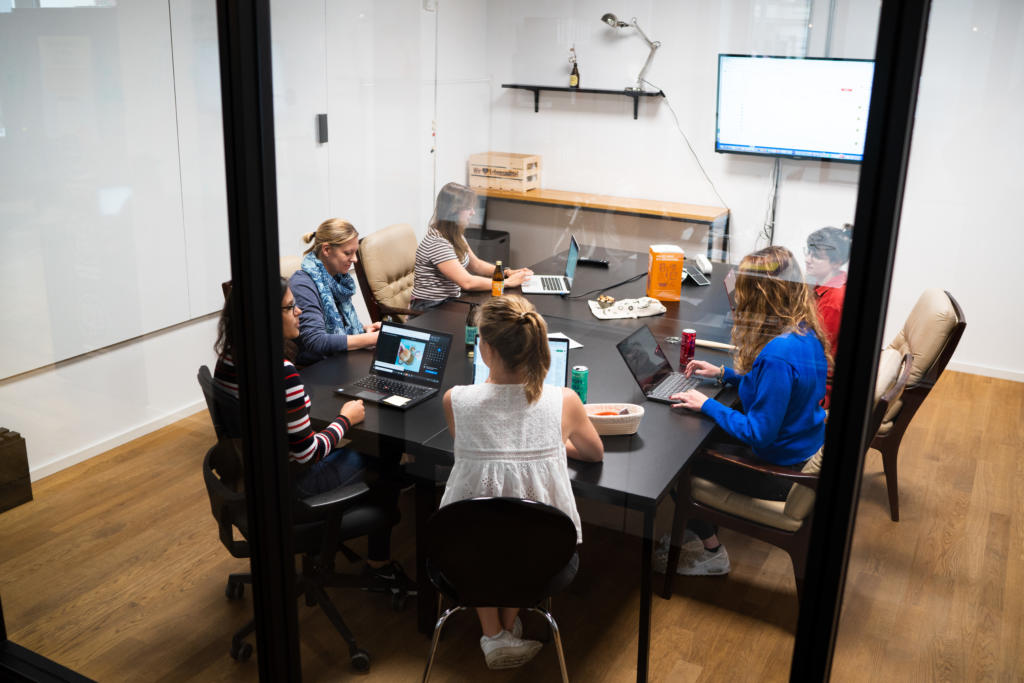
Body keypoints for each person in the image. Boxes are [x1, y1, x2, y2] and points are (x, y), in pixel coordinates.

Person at [213, 278, 413, 594]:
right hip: (292, 489)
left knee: (360, 445)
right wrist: (345, 420)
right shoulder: (282, 373)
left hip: (252, 484)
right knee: (385, 451)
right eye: (290, 307)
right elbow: (307, 454)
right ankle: (378, 563)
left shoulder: (228, 360)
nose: (300, 312)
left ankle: (331, 533)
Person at [439, 295, 603, 669]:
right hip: (541, 554)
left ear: (487, 348)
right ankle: (507, 627)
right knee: (524, 530)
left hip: (466, 549)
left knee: (481, 523)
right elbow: (594, 452)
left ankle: (494, 634)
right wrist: (556, 442)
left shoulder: (456, 401)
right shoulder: (564, 400)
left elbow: (469, 452)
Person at [667, 246, 830, 576]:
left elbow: (759, 433)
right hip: (800, 448)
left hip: (780, 472)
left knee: (679, 462)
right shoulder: (802, 331)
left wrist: (707, 403)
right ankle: (694, 529)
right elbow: (784, 387)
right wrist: (726, 374)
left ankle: (711, 552)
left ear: (759, 296)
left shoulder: (777, 355)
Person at [410, 182, 533, 310]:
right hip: (429, 309)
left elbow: (477, 265)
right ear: (453, 211)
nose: (473, 213)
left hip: (449, 301)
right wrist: (506, 283)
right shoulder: (437, 243)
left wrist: (506, 272)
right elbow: (466, 282)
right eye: (468, 208)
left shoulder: (454, 235)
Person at [289, 218, 382, 366]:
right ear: (326, 250)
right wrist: (373, 338)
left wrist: (364, 330)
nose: (355, 259)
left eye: (355, 252)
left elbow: (337, 327)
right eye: (348, 253)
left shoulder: (337, 278)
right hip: (319, 368)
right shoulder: (302, 284)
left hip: (340, 360)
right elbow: (316, 340)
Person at [805, 224, 852, 407]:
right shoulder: (832, 282)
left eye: (816, 256)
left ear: (836, 262)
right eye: (808, 252)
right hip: (814, 371)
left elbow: (814, 352)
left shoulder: (834, 301)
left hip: (819, 387)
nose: (808, 259)